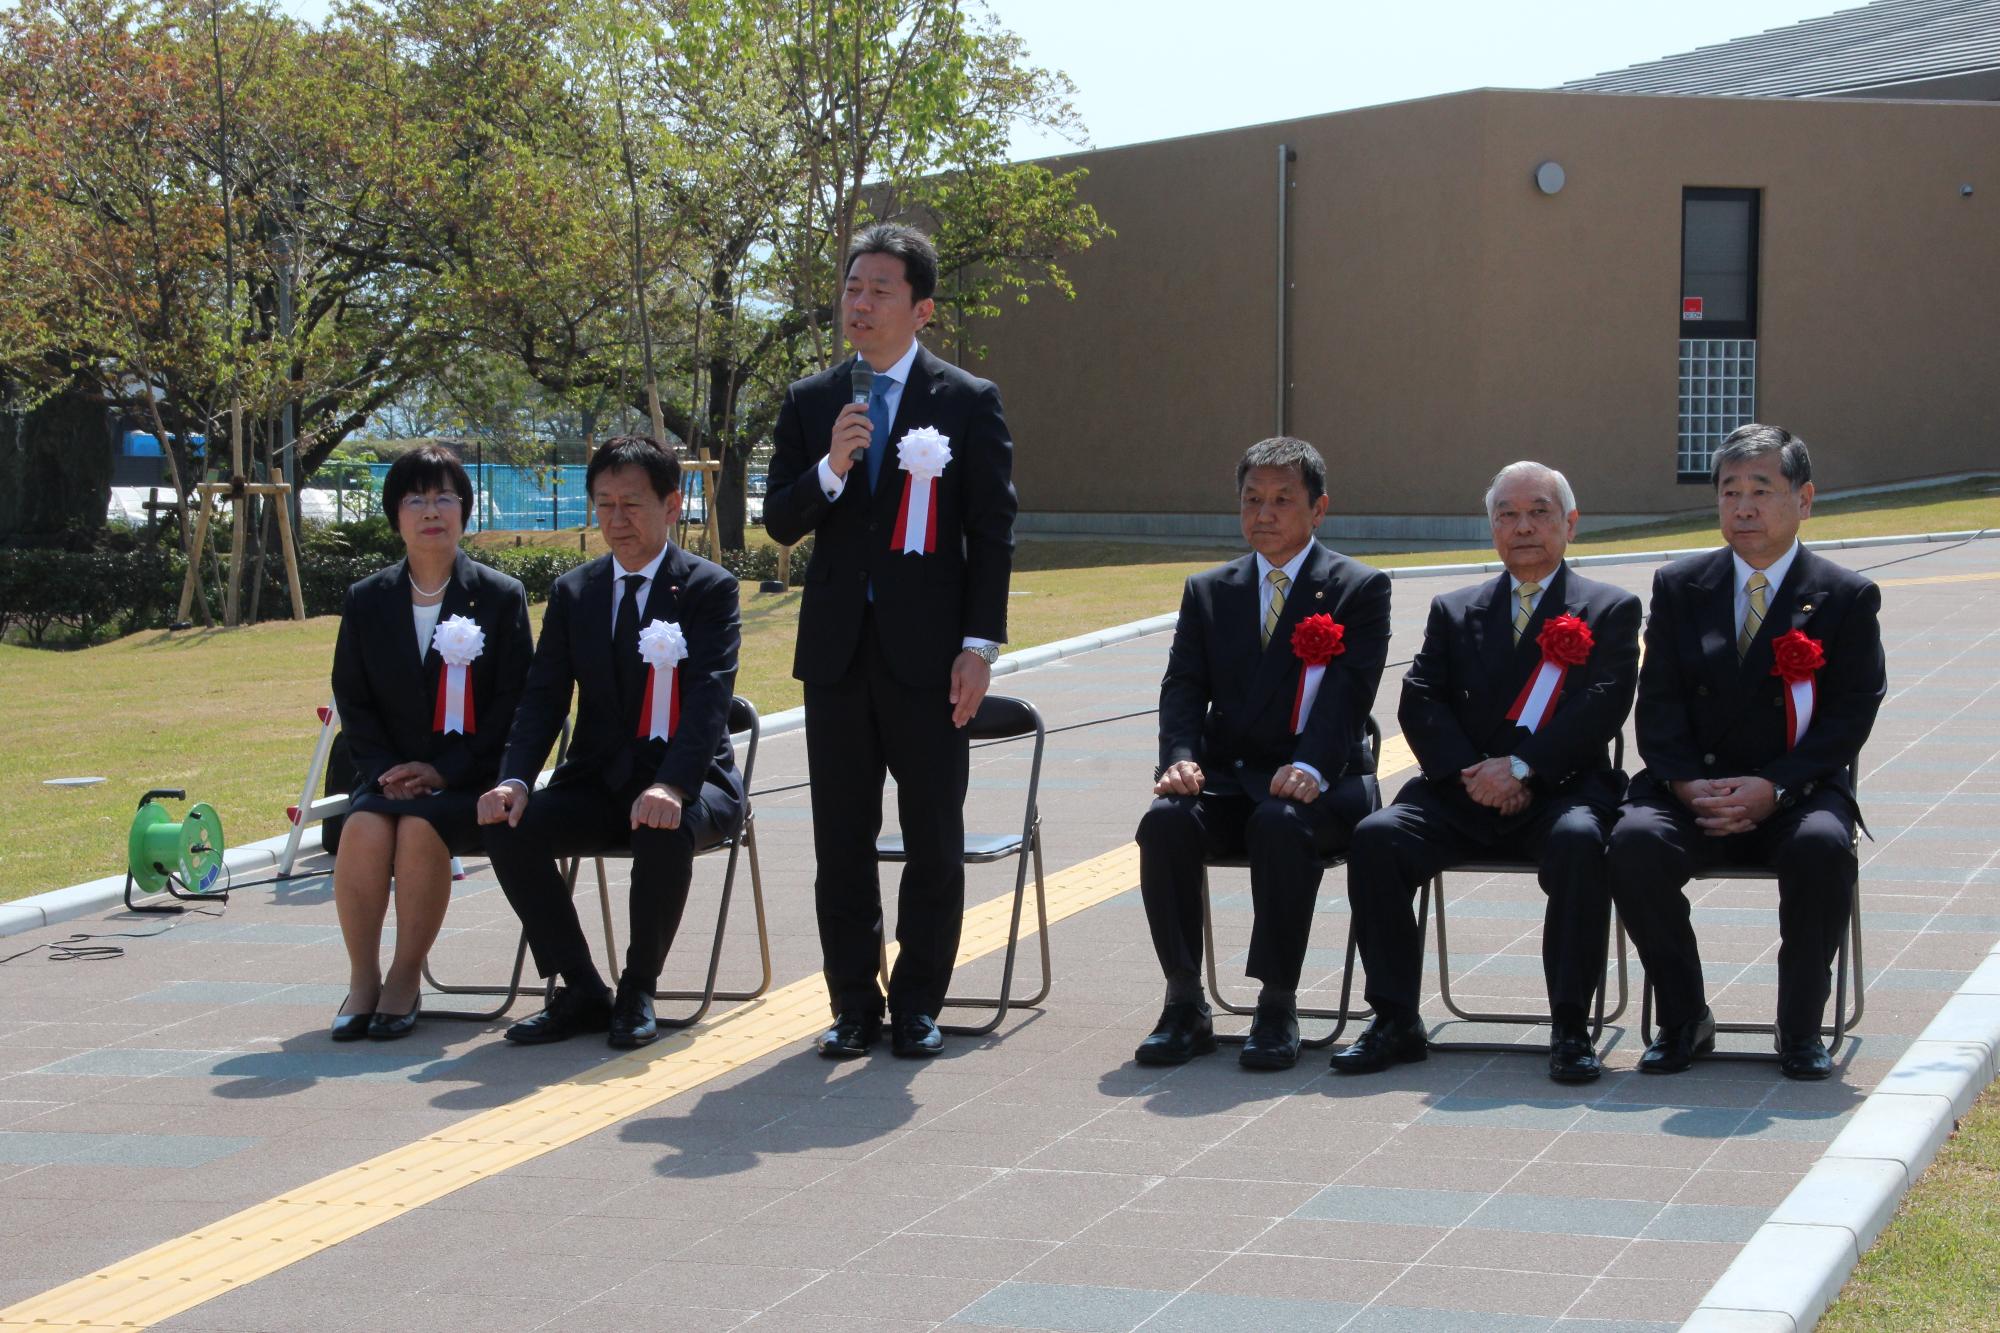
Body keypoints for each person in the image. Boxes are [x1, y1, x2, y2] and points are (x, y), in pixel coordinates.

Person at [764, 223, 1018, 1060]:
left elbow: (991, 531)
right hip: (837, 657)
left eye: (879, 290)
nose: (860, 303)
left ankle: (917, 1002)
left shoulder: (966, 400)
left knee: (932, 838)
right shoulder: (810, 402)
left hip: (932, 658)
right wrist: (831, 468)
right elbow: (779, 520)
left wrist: (978, 646)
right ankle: (850, 1004)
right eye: (851, 288)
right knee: (840, 841)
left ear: (922, 308)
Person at [1333, 462, 1641, 1082]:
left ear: (1570, 524)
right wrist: (1470, 773)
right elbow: (1420, 697)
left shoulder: (1610, 608)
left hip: (1561, 788)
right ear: (1492, 526)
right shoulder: (1455, 609)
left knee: (1583, 843)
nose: (1522, 527)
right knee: (1376, 838)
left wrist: (1524, 769)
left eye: (1539, 513)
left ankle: (1572, 1027)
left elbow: (1602, 704)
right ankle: (1394, 1018)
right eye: (1507, 514)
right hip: (1461, 788)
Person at [1607, 424, 1885, 1081]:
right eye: (1730, 491)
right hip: (1695, 789)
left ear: (1805, 499)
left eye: (1762, 489)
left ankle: (1800, 1031)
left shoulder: (1844, 596)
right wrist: (1679, 783)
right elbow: (1659, 700)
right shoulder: (1681, 585)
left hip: (1794, 793)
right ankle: (1682, 1018)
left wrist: (1777, 785)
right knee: (1633, 842)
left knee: (1821, 849)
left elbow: (1851, 712)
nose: (1744, 507)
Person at [1132, 437, 1391, 1071]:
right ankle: (1184, 1002)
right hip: (1228, 778)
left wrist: (1308, 766)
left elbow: (1350, 697)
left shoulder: (1357, 589)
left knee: (1279, 824)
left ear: (1318, 509)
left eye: (1282, 500)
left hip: (1322, 781)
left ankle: (1277, 1004)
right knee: (1164, 823)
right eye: (1252, 500)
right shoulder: (1208, 590)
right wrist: (1180, 756)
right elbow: (1184, 686)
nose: (1264, 514)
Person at [478, 437, 745, 1050]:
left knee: (660, 823)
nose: (617, 521)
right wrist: (515, 779)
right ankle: (580, 988)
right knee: (506, 825)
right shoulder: (576, 592)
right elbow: (542, 698)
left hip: (692, 781)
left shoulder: (710, 588)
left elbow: (709, 700)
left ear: (673, 505)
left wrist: (673, 783)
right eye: (604, 505)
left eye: (632, 504)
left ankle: (638, 988)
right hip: (599, 779)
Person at [328, 444, 533, 1041]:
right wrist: (388, 769)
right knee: (364, 827)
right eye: (415, 499)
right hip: (388, 776)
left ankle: (404, 976)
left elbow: (515, 703)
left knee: (420, 829)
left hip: (467, 777)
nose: (431, 511)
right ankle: (362, 979)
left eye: (444, 496)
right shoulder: (367, 599)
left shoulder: (499, 595)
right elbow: (354, 699)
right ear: (395, 514)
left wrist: (445, 771)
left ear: (465, 510)